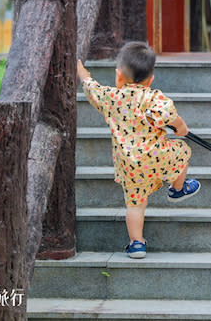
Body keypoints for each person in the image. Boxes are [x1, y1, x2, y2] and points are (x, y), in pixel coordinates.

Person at [77, 41, 200, 259]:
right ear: (151, 79)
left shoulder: (111, 98)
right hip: (156, 157)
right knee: (182, 151)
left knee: (135, 204)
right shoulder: (155, 98)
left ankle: (136, 244)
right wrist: (181, 129)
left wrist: (81, 71)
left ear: (119, 76)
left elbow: (90, 86)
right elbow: (175, 121)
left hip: (129, 165)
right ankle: (178, 189)